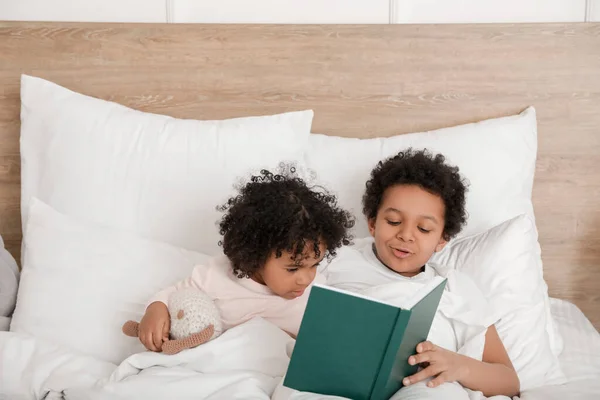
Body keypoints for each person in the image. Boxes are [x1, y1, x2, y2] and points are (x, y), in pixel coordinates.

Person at [326, 149, 520, 398]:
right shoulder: (336, 258)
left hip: (420, 385)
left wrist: (459, 366)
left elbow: (509, 380)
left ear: (442, 239)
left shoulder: (453, 285)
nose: (406, 235)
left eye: (424, 228)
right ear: (372, 222)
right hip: (339, 379)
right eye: (394, 222)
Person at [138, 167, 354, 352]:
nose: (306, 279)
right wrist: (156, 308)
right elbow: (175, 294)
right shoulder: (216, 276)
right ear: (256, 256)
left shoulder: (318, 295)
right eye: (293, 268)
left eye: (314, 265)